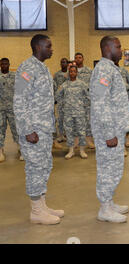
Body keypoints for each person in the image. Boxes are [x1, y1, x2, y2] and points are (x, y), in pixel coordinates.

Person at [14, 34, 64, 225]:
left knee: (45, 166)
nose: (52, 49)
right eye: (48, 46)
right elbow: (19, 101)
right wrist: (27, 130)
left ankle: (42, 205)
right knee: (35, 167)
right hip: (33, 130)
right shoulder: (26, 69)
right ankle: (36, 211)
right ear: (38, 47)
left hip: (43, 129)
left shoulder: (42, 68)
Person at [90, 36, 129, 223]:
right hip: (109, 132)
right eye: (118, 46)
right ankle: (104, 209)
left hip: (115, 129)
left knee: (114, 168)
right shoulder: (103, 71)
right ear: (107, 48)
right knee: (108, 168)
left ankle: (109, 202)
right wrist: (109, 133)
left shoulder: (111, 69)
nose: (121, 50)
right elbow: (100, 104)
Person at [56, 65, 89, 159]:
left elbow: (88, 96)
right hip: (68, 113)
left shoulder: (82, 84)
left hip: (79, 112)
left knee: (81, 132)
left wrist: (83, 105)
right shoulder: (64, 85)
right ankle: (71, 151)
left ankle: (82, 150)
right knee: (69, 132)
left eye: (74, 71)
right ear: (68, 73)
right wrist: (64, 104)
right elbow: (58, 96)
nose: (72, 73)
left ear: (77, 73)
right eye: (70, 71)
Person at [0, 58, 22, 162]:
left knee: (16, 129)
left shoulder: (15, 75)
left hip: (13, 108)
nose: (4, 65)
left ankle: (21, 149)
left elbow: (26, 79)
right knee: (0, 130)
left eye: (6, 64)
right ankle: (0, 151)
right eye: (2, 64)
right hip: (0, 109)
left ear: (9, 64)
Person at [74, 52, 95, 149]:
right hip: (76, 101)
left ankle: (89, 140)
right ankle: (77, 141)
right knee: (76, 121)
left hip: (87, 100)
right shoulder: (72, 71)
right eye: (76, 58)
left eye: (80, 57)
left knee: (88, 121)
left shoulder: (89, 71)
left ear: (83, 59)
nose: (78, 59)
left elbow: (93, 84)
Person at [53, 58, 69, 143]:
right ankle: (60, 135)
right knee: (60, 118)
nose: (63, 64)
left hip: (68, 99)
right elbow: (54, 87)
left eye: (64, 62)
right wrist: (55, 98)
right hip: (60, 99)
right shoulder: (57, 74)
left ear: (67, 63)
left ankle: (68, 134)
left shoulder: (70, 74)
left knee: (68, 118)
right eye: (61, 62)